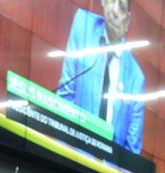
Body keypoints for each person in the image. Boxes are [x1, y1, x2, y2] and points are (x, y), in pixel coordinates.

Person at [56, 0, 145, 153]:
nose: (115, 12)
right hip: (71, 157)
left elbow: (131, 152)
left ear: (128, 20)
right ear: (103, 3)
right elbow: (65, 98)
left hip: (107, 172)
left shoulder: (136, 79)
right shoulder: (83, 27)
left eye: (122, 8)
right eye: (111, 2)